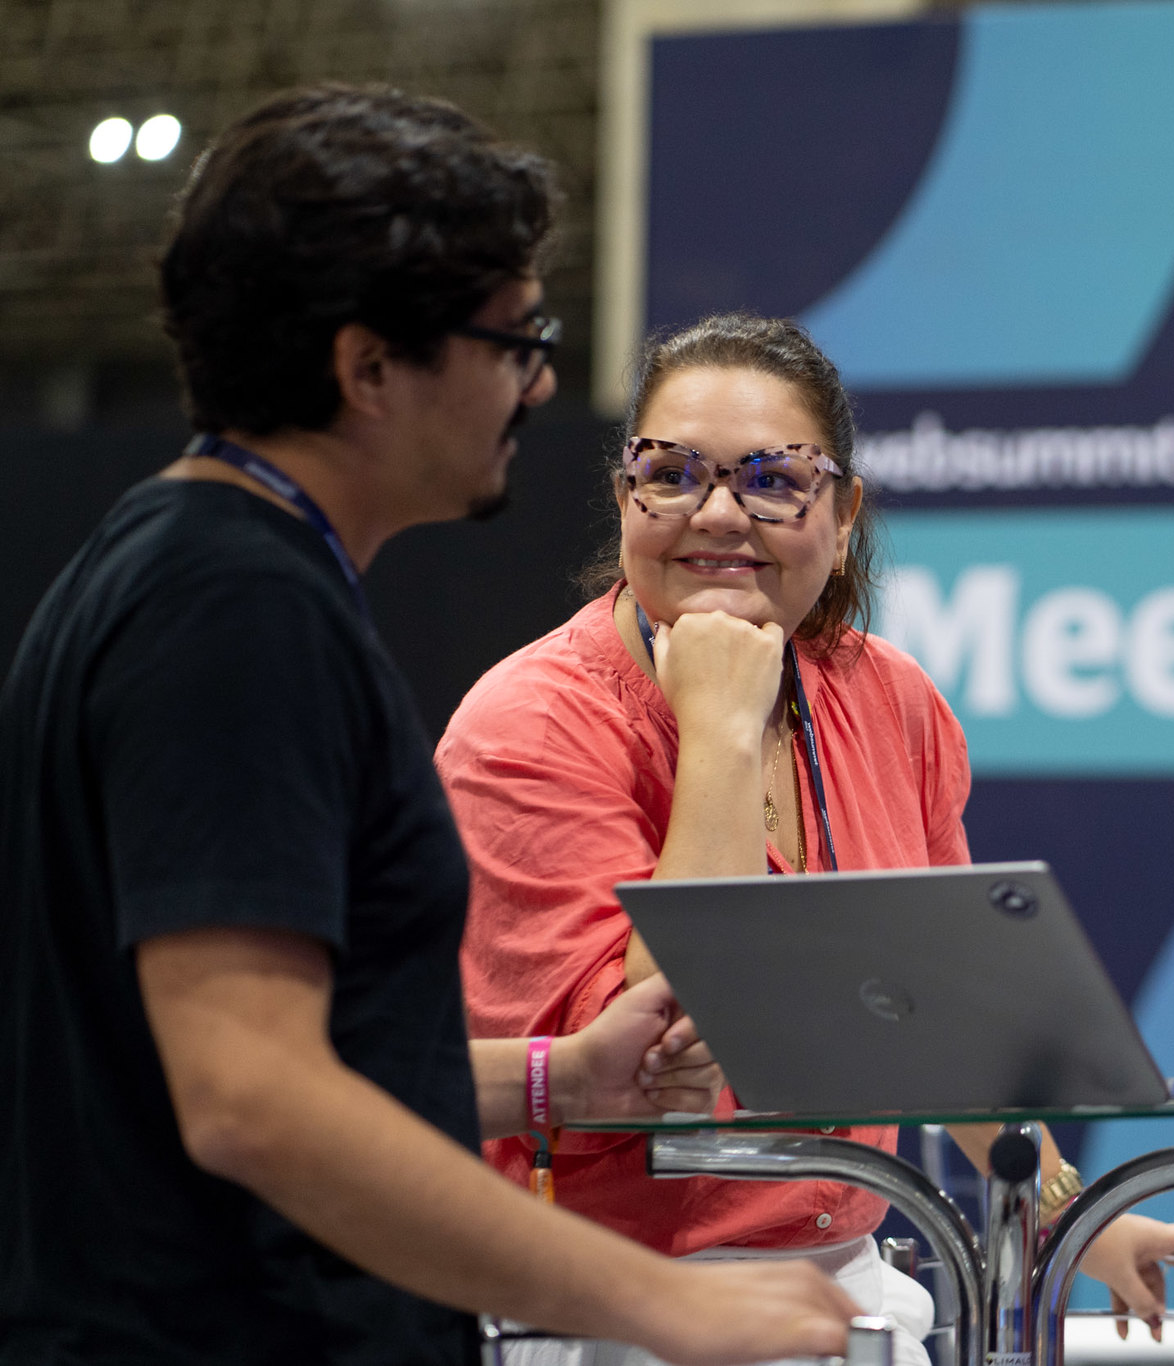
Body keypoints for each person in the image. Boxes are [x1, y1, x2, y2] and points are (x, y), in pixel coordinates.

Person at [0, 86, 860, 1366]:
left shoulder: (212, 573)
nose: (540, 379)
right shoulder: (232, 608)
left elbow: (306, 1057)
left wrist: (556, 1082)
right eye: (511, 337)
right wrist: (663, 1300)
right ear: (369, 369)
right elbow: (251, 1098)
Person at [438, 313, 1174, 1366]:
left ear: (844, 510)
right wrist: (719, 733)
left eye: (772, 479)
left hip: (847, 1282)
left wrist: (1070, 1215)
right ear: (623, 492)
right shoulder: (529, 724)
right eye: (670, 473)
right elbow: (653, 1062)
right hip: (602, 1301)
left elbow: (946, 1020)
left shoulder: (889, 696)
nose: (716, 514)